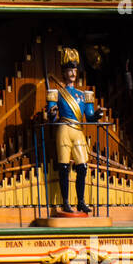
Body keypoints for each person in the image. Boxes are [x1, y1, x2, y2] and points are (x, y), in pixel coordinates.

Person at [46, 46, 101, 215]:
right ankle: (65, 202)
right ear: (63, 73)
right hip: (63, 129)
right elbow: (52, 117)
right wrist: (52, 112)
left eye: (74, 70)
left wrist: (97, 114)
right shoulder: (56, 93)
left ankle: (81, 201)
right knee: (63, 167)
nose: (72, 73)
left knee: (83, 166)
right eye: (69, 70)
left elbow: (89, 117)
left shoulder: (84, 95)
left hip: (77, 130)